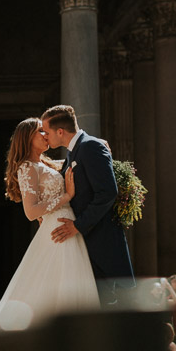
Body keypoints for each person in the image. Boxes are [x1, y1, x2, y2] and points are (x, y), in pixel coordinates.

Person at [0, 117, 99, 332]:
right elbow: (31, 212)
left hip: (68, 226)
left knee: (71, 285)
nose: (46, 134)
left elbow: (77, 161)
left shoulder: (45, 164)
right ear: (28, 136)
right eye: (41, 131)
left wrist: (98, 144)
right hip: (56, 229)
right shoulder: (27, 168)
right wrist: (67, 196)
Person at [43, 104, 135, 302]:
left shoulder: (90, 146)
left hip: (103, 242)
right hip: (87, 244)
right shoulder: (74, 152)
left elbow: (107, 192)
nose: (45, 136)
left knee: (116, 307)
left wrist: (78, 225)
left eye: (47, 131)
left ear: (60, 131)